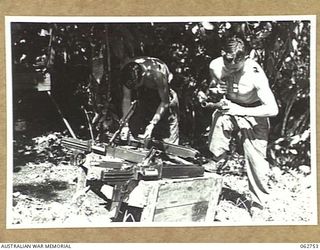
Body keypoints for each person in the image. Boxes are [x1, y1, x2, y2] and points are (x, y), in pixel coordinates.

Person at [204, 36, 279, 212]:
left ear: (244, 59)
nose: (232, 70)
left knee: (256, 161)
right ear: (223, 55)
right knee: (220, 121)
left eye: (236, 68)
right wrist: (214, 91)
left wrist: (242, 110)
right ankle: (214, 170)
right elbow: (212, 92)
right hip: (229, 110)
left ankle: (258, 204)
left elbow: (273, 109)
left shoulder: (255, 74)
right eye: (228, 66)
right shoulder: (215, 66)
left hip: (255, 113)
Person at [119, 56, 179, 144]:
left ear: (143, 75)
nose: (134, 88)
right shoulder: (128, 72)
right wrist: (125, 124)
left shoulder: (157, 74)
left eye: (136, 85)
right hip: (146, 95)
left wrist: (152, 124)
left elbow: (165, 102)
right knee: (139, 137)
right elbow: (127, 98)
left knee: (168, 141)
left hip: (165, 98)